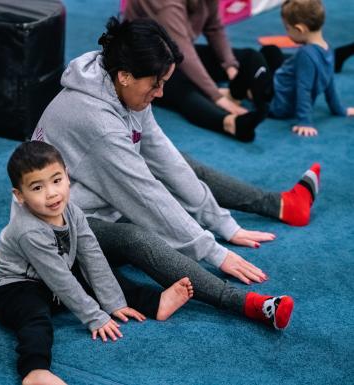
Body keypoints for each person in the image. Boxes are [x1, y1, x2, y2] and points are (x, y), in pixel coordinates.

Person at [32, 16, 296, 341]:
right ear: (126, 77)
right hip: (60, 225)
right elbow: (147, 197)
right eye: (155, 84)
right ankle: (244, 303)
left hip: (96, 192)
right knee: (139, 237)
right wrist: (213, 251)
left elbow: (164, 158)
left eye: (164, 83)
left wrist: (224, 224)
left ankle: (279, 204)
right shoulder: (97, 122)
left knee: (179, 162)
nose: (160, 93)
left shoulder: (116, 81)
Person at [0, 141, 195, 385]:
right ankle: (35, 371)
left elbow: (92, 254)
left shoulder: (72, 211)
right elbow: (60, 281)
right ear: (20, 196)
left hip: (52, 279)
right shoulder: (28, 230)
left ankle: (155, 303)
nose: (51, 193)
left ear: (67, 177)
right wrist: (95, 316)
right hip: (12, 287)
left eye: (56, 180)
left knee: (104, 274)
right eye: (37, 187)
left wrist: (113, 302)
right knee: (35, 317)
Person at [123, 0, 271, 142]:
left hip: (176, 52)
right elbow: (183, 52)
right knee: (184, 86)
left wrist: (231, 69)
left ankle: (263, 100)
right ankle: (230, 123)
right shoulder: (166, 4)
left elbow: (214, 28)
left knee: (250, 56)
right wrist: (218, 97)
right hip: (147, 64)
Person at [263, 0, 354, 136]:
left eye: (287, 28)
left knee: (265, 54)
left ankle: (241, 91)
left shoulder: (304, 54)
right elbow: (329, 83)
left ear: (299, 29)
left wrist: (304, 121)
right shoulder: (327, 48)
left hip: (276, 104)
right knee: (273, 53)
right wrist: (340, 110)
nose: (286, 33)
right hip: (284, 93)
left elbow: (303, 89)